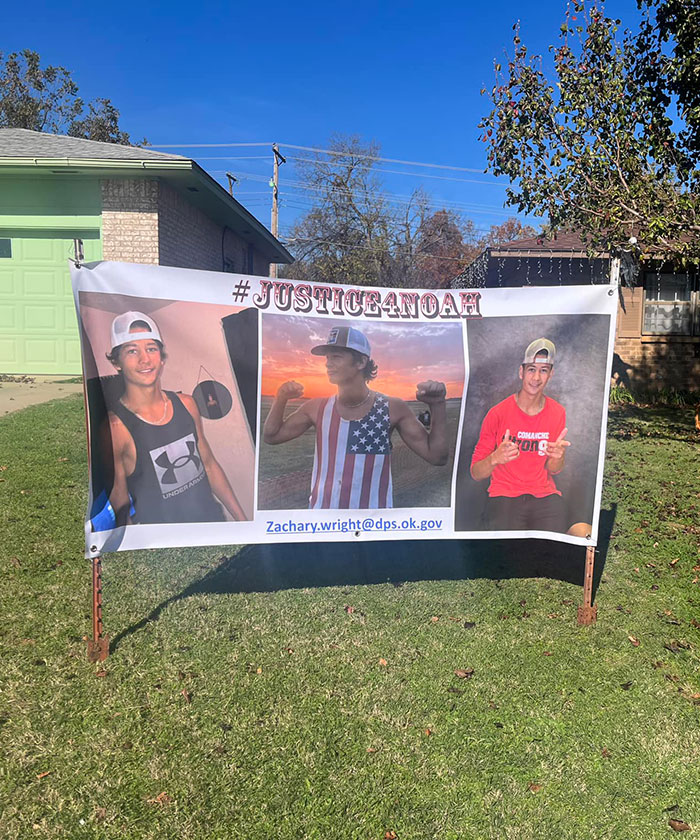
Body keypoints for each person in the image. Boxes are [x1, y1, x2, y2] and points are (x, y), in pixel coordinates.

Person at [263, 326, 448, 509]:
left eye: (336, 356)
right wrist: (280, 399)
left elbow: (436, 456)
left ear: (361, 362)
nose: (328, 363)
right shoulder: (316, 407)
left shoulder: (392, 407)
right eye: (327, 357)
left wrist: (437, 404)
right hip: (322, 521)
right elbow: (272, 436)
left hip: (374, 523)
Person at [101, 311, 247, 526]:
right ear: (117, 363)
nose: (145, 359)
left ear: (161, 358)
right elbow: (121, 505)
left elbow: (208, 465)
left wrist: (243, 522)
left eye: (151, 349)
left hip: (213, 524)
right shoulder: (115, 429)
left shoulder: (186, 404)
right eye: (132, 351)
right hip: (167, 547)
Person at [470, 337, 570, 532]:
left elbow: (554, 469)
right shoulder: (497, 413)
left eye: (543, 370)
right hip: (505, 495)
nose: (536, 378)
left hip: (544, 494)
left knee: (559, 548)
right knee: (509, 553)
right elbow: (475, 473)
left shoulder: (558, 412)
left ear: (551, 374)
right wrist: (495, 458)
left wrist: (559, 457)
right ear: (521, 372)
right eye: (531, 369)